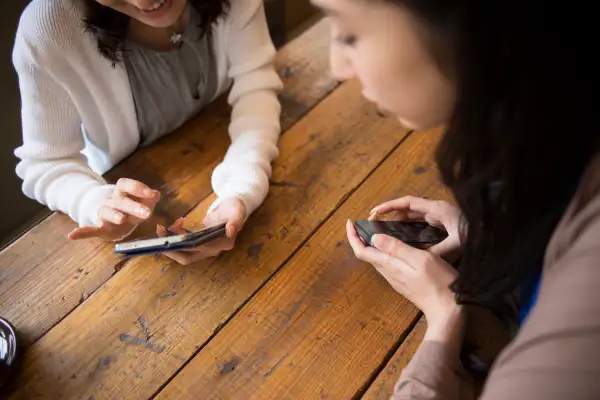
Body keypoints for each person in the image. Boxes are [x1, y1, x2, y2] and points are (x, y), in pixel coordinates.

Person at [311, 0, 600, 398]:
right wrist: (490, 228)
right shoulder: (554, 124)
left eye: (349, 34)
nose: (337, 67)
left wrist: (445, 317)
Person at [12, 0, 283, 265]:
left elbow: (256, 86)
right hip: (121, 184)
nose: (144, 2)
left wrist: (242, 189)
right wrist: (95, 202)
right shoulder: (49, 27)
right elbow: (46, 163)